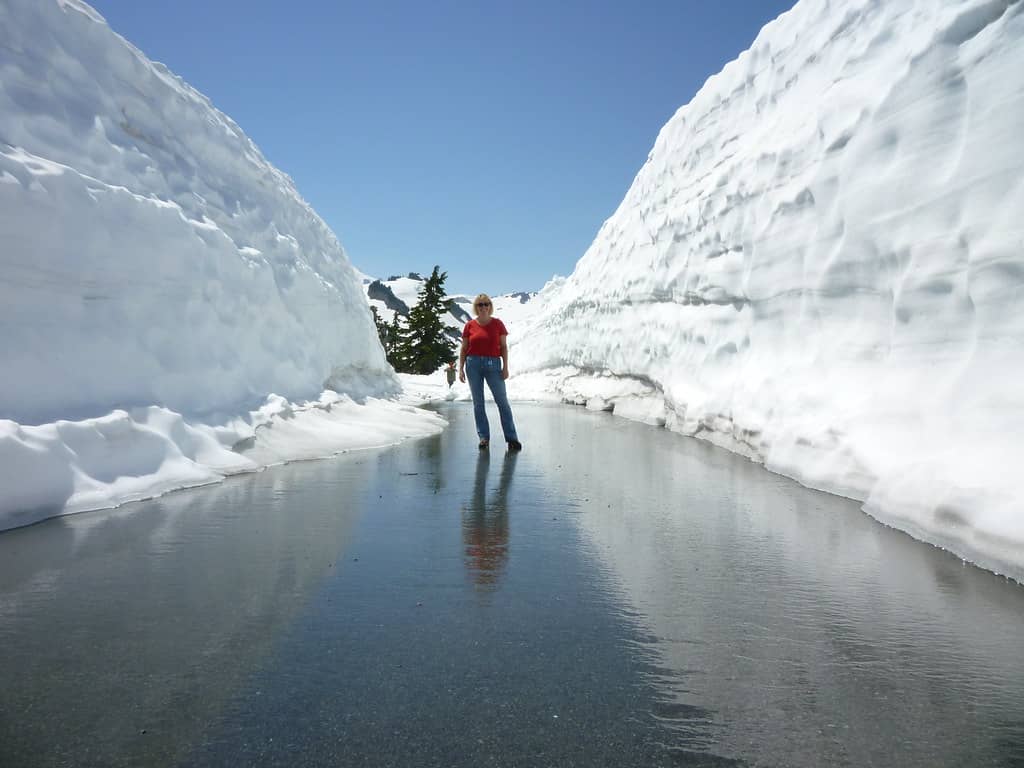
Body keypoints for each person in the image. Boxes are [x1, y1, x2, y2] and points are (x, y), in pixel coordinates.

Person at [458, 294, 522, 451]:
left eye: (486, 304)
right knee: (478, 403)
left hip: (493, 364)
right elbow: (464, 348)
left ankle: (512, 438)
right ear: (476, 307)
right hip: (472, 364)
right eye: (480, 304)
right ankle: (483, 438)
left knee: (502, 402)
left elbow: (504, 347)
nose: (483, 307)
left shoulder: (498, 324)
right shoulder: (469, 326)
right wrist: (460, 368)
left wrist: (505, 367)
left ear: (490, 306)